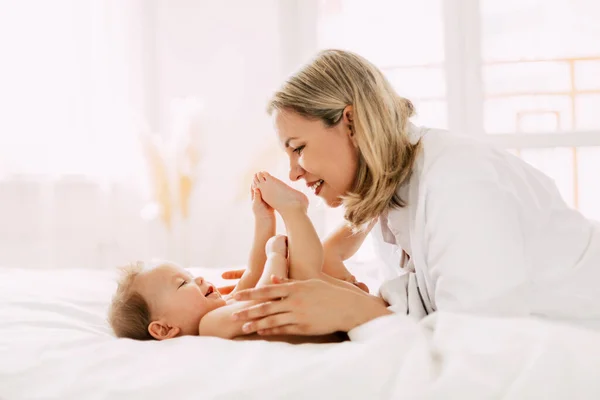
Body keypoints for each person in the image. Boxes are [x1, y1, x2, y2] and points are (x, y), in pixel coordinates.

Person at [226, 49, 600, 337]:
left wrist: (358, 312)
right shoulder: (390, 183)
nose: (293, 172)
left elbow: (486, 340)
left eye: (298, 147)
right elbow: (343, 242)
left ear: (350, 121)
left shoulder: (458, 183)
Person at [108, 172, 381, 341]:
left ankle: (373, 206)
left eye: (189, 275)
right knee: (300, 272)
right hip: (334, 313)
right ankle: (295, 211)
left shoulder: (221, 308)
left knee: (328, 254)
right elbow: (268, 297)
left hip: (339, 305)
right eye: (183, 283)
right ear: (164, 329)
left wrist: (263, 219)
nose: (198, 278)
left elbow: (253, 272)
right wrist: (276, 255)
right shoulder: (210, 326)